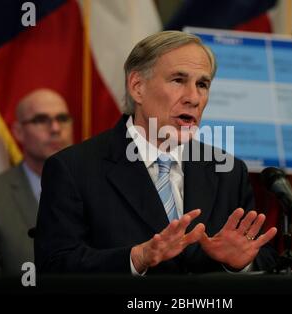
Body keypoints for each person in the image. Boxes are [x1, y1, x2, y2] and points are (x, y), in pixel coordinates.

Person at [35, 31, 278, 275]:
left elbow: (264, 257)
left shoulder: (228, 171)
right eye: (178, 80)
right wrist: (136, 258)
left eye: (202, 84)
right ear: (137, 87)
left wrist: (238, 263)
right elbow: (54, 265)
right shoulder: (73, 168)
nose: (193, 98)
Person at [0, 88, 73, 276]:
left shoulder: (100, 190)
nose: (55, 129)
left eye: (62, 119)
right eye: (41, 120)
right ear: (18, 132)